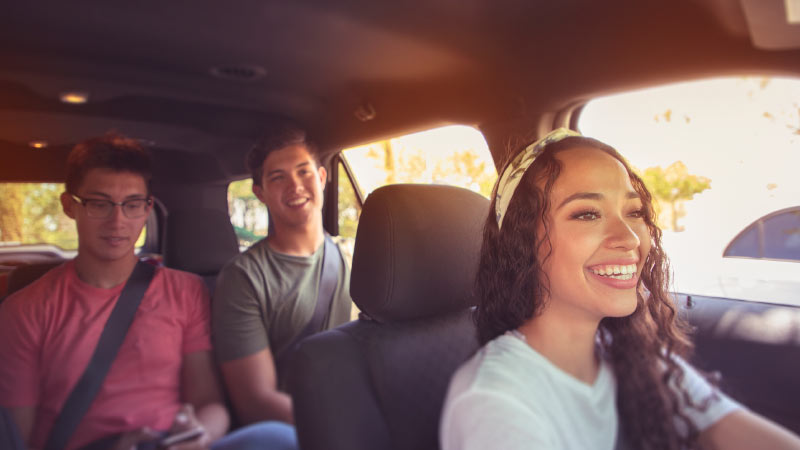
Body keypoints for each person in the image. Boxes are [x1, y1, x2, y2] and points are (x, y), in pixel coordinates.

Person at [439, 129, 800, 450]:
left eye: (634, 212)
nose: (628, 238)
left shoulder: (628, 352)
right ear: (522, 242)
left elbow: (725, 426)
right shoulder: (493, 403)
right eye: (587, 214)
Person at [0, 133, 291, 450]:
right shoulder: (24, 310)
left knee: (276, 438)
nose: (118, 220)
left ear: (147, 208)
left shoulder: (185, 292)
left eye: (132, 205)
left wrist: (198, 435)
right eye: (100, 204)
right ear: (71, 206)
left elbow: (209, 402)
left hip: (169, 444)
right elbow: (18, 439)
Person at [212, 124, 352, 432]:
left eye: (304, 172)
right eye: (278, 177)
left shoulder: (355, 258)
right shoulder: (243, 278)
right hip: (299, 432)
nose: (295, 185)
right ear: (260, 193)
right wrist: (347, 427)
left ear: (322, 177)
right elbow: (256, 403)